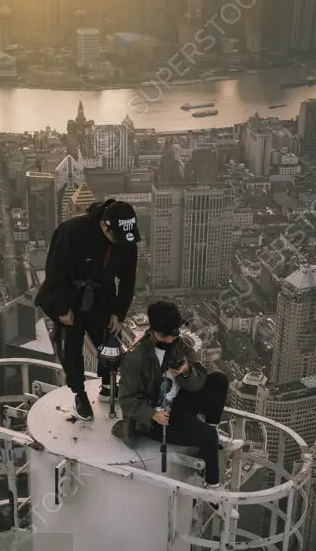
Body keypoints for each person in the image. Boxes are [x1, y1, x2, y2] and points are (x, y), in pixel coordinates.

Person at [35, 198, 140, 421]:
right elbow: (55, 272)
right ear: (104, 225)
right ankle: (79, 393)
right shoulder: (72, 231)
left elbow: (128, 279)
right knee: (70, 345)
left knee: (110, 341)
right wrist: (63, 309)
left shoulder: (126, 239)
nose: (121, 243)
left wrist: (118, 313)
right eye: (116, 238)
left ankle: (107, 384)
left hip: (102, 296)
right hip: (69, 295)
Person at [118, 300, 239, 488]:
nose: (168, 340)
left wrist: (186, 372)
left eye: (172, 334)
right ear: (152, 330)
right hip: (159, 418)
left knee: (219, 380)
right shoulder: (135, 357)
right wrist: (152, 415)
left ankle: (213, 431)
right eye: (163, 335)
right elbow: (126, 399)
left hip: (180, 400)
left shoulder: (178, 344)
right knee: (207, 437)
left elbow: (198, 381)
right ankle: (212, 486)